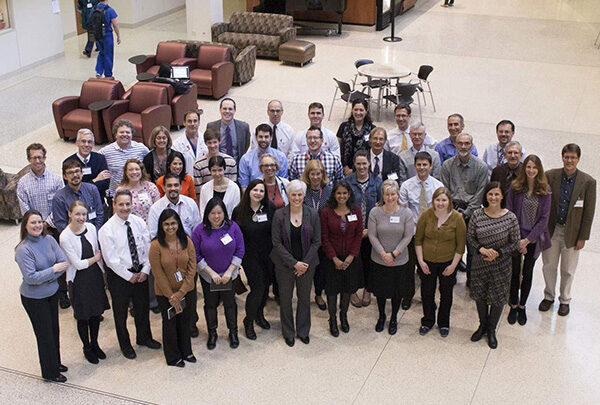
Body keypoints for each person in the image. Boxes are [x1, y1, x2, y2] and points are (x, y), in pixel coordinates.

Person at [98, 189, 161, 359]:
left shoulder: (139, 222)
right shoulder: (106, 230)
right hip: (120, 277)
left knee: (142, 308)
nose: (125, 208)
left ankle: (144, 337)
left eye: (128, 204)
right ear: (114, 205)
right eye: (121, 204)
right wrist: (128, 276)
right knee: (121, 314)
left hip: (140, 272)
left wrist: (145, 270)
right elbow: (111, 260)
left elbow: (148, 247)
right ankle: (125, 345)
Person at [540, 144, 596, 316]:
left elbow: (589, 211)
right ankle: (549, 296)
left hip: (572, 233)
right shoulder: (550, 176)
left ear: (578, 159)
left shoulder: (588, 182)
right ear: (562, 157)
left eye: (573, 157)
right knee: (549, 265)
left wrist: (583, 237)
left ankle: (564, 299)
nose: (569, 160)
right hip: (552, 230)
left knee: (568, 269)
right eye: (567, 157)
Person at [15, 210, 69, 382]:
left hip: (51, 292)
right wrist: (53, 270)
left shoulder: (50, 239)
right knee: (44, 334)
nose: (37, 225)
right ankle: (50, 372)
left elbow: (63, 263)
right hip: (34, 299)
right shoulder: (23, 250)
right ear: (25, 225)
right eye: (33, 222)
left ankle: (56, 362)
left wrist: (45, 276)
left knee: (54, 330)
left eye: (39, 222)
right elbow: (31, 278)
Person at [147, 173, 201, 337]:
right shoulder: (156, 208)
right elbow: (153, 234)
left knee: (190, 296)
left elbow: (197, 229)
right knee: (170, 296)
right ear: (163, 188)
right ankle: (175, 329)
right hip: (167, 258)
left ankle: (191, 324)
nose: (173, 189)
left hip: (186, 256)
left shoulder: (190, 203)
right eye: (169, 185)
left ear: (180, 186)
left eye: (175, 185)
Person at [468, 181, 520, 349]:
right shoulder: (477, 215)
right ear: (486, 196)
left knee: (498, 298)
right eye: (490, 194)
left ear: (502, 196)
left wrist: (498, 253)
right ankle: (482, 325)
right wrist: (481, 249)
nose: (493, 197)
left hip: (501, 265)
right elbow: (470, 237)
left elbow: (515, 243)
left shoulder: (510, 217)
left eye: (497, 194)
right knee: (480, 295)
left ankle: (491, 330)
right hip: (479, 263)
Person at [271, 180, 321, 347]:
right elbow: (276, 243)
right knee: (285, 299)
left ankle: (303, 330)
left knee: (304, 298)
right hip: (285, 265)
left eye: (300, 194)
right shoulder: (279, 215)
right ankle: (288, 332)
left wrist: (304, 264)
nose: (297, 198)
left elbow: (317, 241)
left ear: (304, 195)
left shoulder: (312, 214)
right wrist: (294, 264)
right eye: (293, 194)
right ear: (288, 195)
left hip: (307, 264)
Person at [17, 143, 68, 308]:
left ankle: (62, 294)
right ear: (28, 159)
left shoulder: (55, 179)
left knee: (56, 259)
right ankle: (44, 288)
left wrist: (46, 223)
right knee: (40, 261)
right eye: (34, 157)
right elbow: (24, 208)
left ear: (45, 157)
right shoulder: (23, 183)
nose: (37, 160)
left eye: (40, 157)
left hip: (53, 225)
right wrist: (36, 224)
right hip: (32, 228)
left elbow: (60, 204)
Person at [59, 201, 109, 364]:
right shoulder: (65, 237)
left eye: (84, 214)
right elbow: (78, 264)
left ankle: (95, 343)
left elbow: (96, 250)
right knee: (83, 316)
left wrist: (97, 261)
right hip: (79, 281)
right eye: (77, 214)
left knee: (95, 314)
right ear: (70, 214)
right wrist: (95, 258)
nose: (81, 218)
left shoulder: (92, 228)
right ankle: (86, 347)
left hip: (94, 276)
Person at [192, 198, 245, 350]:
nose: (216, 216)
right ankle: (212, 333)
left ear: (224, 213)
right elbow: (195, 254)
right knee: (210, 305)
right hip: (209, 277)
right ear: (207, 214)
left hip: (229, 275)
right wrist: (211, 273)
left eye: (219, 213)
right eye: (212, 213)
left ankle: (233, 332)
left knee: (230, 304)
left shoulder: (233, 227)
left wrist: (229, 272)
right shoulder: (199, 230)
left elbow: (240, 250)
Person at [506, 155, 551, 325]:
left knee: (528, 272)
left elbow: (544, 219)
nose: (531, 170)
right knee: (515, 272)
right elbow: (509, 213)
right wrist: (518, 239)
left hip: (534, 238)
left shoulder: (545, 190)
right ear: (524, 169)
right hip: (516, 236)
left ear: (539, 170)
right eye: (528, 167)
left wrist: (527, 240)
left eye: (534, 167)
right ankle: (513, 304)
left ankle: (522, 306)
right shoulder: (515, 187)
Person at [414, 188, 465, 337]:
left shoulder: (457, 218)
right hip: (427, 262)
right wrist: (421, 261)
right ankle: (427, 321)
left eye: (444, 200)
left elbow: (461, 245)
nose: (441, 203)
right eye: (438, 200)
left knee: (446, 293)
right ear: (433, 201)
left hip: (448, 262)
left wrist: (453, 265)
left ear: (449, 201)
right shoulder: (425, 215)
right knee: (427, 292)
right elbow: (418, 240)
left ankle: (443, 323)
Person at [149, 209, 197, 367]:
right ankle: (173, 356)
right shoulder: (156, 245)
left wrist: (181, 292)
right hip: (165, 293)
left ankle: (186, 351)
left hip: (186, 290)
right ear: (161, 226)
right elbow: (158, 274)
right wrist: (172, 296)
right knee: (170, 324)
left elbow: (192, 268)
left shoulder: (186, 241)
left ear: (178, 224)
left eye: (173, 223)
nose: (170, 227)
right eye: (166, 224)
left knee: (185, 321)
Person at [440, 133, 488, 283]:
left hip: (473, 212)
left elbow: (480, 194)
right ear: (455, 145)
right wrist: (453, 212)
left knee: (472, 248)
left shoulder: (481, 167)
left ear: (472, 146)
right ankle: (450, 277)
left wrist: (466, 213)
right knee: (450, 246)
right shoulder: (447, 165)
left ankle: (471, 280)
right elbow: (445, 191)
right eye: (460, 143)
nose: (463, 146)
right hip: (451, 210)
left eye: (467, 143)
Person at [368, 179, 414, 335]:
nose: (390, 198)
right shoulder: (375, 212)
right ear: (383, 195)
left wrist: (394, 254)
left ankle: (394, 318)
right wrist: (383, 253)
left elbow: (408, 236)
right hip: (379, 260)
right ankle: (382, 316)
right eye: (387, 194)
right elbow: (372, 235)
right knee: (380, 292)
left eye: (393, 194)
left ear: (398, 195)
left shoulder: (406, 213)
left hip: (399, 260)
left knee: (397, 292)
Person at [399, 151, 444, 310]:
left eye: (425, 165)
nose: (422, 167)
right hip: (412, 233)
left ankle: (428, 298)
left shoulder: (438, 186)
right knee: (409, 267)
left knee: (428, 269)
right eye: (419, 165)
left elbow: (441, 211)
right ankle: (407, 295)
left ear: (431, 166)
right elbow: (404, 210)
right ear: (415, 166)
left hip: (431, 234)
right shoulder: (406, 185)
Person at [232, 179, 276, 340]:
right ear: (248, 191)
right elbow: (236, 236)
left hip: (268, 255)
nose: (258, 193)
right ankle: (248, 321)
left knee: (265, 288)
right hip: (250, 256)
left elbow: (275, 230)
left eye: (261, 191)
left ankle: (259, 315)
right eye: (255, 190)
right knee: (257, 288)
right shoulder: (239, 211)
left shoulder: (269, 208)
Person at [320, 182, 363, 337]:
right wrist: (334, 258)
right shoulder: (326, 212)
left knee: (347, 289)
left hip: (351, 259)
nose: (342, 196)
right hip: (332, 260)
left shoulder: (355, 210)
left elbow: (359, 235)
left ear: (349, 194)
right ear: (334, 195)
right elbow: (324, 237)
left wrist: (352, 256)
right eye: (339, 193)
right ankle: (332, 319)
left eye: (345, 193)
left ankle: (343, 316)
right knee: (332, 291)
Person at [345, 150, 381, 308]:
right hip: (352, 232)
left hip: (371, 231)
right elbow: (343, 207)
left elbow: (381, 207)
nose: (361, 167)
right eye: (358, 163)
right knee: (352, 261)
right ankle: (352, 290)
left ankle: (367, 290)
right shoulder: (346, 182)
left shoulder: (378, 182)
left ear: (369, 164)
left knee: (369, 261)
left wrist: (370, 230)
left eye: (364, 163)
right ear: (354, 164)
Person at [301, 159, 332, 310]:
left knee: (321, 267)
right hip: (306, 235)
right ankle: (304, 294)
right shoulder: (302, 189)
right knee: (307, 265)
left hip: (324, 234)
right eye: (312, 174)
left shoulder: (328, 190)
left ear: (322, 174)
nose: (315, 177)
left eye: (318, 173)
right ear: (308, 174)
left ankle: (318, 294)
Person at [99, 120, 149, 203]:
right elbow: (95, 161)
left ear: (132, 134)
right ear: (115, 134)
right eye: (121, 132)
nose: (125, 134)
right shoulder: (105, 151)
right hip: (115, 194)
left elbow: (149, 163)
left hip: (138, 193)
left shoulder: (141, 148)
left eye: (128, 132)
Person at [52, 159, 104, 234]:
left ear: (82, 173)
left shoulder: (92, 189)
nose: (75, 175)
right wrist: (77, 236)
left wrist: (93, 233)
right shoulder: (59, 198)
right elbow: (61, 224)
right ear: (65, 176)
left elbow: (99, 214)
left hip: (94, 235)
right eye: (70, 173)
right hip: (72, 238)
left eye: (77, 171)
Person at [63, 128, 110, 199]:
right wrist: (96, 180)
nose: (86, 145)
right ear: (77, 143)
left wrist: (81, 185)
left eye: (89, 142)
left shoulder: (100, 159)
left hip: (98, 200)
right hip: (78, 203)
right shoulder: (68, 162)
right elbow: (71, 188)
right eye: (83, 141)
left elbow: (106, 184)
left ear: (93, 144)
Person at [239, 124, 288, 189]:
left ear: (271, 137)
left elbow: (283, 183)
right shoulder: (246, 159)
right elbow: (244, 186)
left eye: (266, 137)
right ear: (256, 137)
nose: (263, 140)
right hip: (255, 196)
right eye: (260, 137)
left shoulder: (281, 157)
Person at [193, 128, 237, 199]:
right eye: (209, 143)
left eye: (215, 142)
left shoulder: (230, 162)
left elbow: (233, 187)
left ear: (219, 141)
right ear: (205, 143)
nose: (212, 145)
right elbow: (199, 192)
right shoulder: (198, 165)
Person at [206, 98, 251, 164]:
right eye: (224, 108)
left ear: (234, 111)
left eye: (230, 109)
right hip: (218, 166)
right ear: (220, 110)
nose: (227, 111)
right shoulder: (211, 127)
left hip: (237, 165)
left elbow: (245, 146)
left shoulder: (244, 127)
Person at [337, 99, 375, 174]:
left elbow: (372, 152)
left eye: (361, 110)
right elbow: (338, 148)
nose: (358, 113)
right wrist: (345, 167)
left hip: (364, 169)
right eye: (356, 110)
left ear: (366, 111)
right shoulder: (343, 126)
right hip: (345, 169)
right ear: (352, 110)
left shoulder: (372, 129)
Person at [172, 110, 208, 177]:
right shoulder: (176, 145)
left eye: (195, 121)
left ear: (199, 123)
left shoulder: (206, 140)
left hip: (204, 178)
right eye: (189, 121)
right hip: (186, 180)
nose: (192, 124)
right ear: (184, 123)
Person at [93, 0, 120, 79]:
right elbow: (115, 24)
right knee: (108, 54)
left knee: (101, 52)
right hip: (107, 36)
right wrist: (118, 36)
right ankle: (108, 75)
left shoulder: (94, 9)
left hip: (97, 35)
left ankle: (99, 71)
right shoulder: (110, 10)